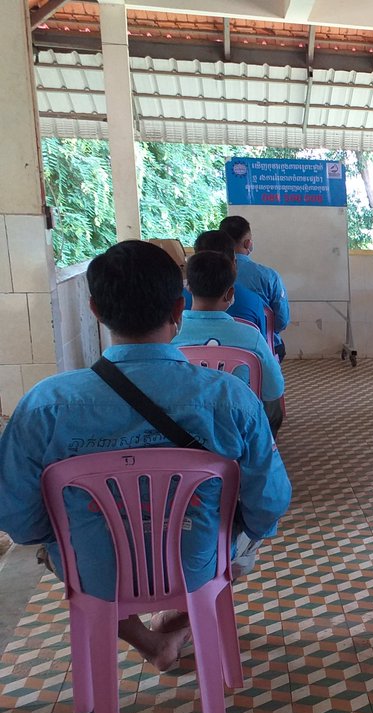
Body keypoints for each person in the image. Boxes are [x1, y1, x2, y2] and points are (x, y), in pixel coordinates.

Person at [0, 241, 291, 672]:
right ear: (179, 307)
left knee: (60, 550)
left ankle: (150, 640)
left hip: (94, 572)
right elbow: (269, 504)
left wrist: (71, 537)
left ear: (96, 309)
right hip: (198, 563)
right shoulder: (229, 398)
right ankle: (178, 626)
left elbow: (20, 521)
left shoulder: (45, 405)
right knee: (246, 538)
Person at [174, 250, 287, 434]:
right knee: (273, 410)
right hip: (238, 427)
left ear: (189, 288)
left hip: (185, 426)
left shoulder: (172, 334)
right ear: (230, 293)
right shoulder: (250, 335)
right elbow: (274, 390)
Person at [219, 216, 290, 358]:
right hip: (261, 349)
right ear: (247, 243)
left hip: (214, 347)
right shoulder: (269, 276)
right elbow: (281, 321)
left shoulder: (203, 277)